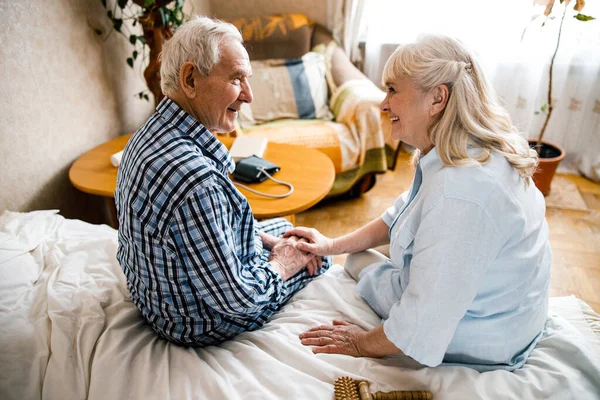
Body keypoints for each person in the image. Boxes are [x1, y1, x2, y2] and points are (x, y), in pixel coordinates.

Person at [285, 34, 551, 371]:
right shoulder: (462, 151)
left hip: (485, 337)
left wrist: (360, 343)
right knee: (355, 253)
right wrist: (330, 244)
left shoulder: (462, 194)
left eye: (393, 90)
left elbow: (421, 321)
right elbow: (398, 216)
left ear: (437, 98)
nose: (384, 104)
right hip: (509, 310)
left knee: (358, 262)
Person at [115, 16, 330, 347]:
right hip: (195, 321)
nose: (249, 96)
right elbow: (240, 302)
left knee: (293, 232)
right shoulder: (196, 181)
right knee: (318, 252)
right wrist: (283, 264)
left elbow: (190, 231)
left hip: (157, 299)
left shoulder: (145, 136)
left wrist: (265, 242)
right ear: (190, 79)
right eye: (236, 79)